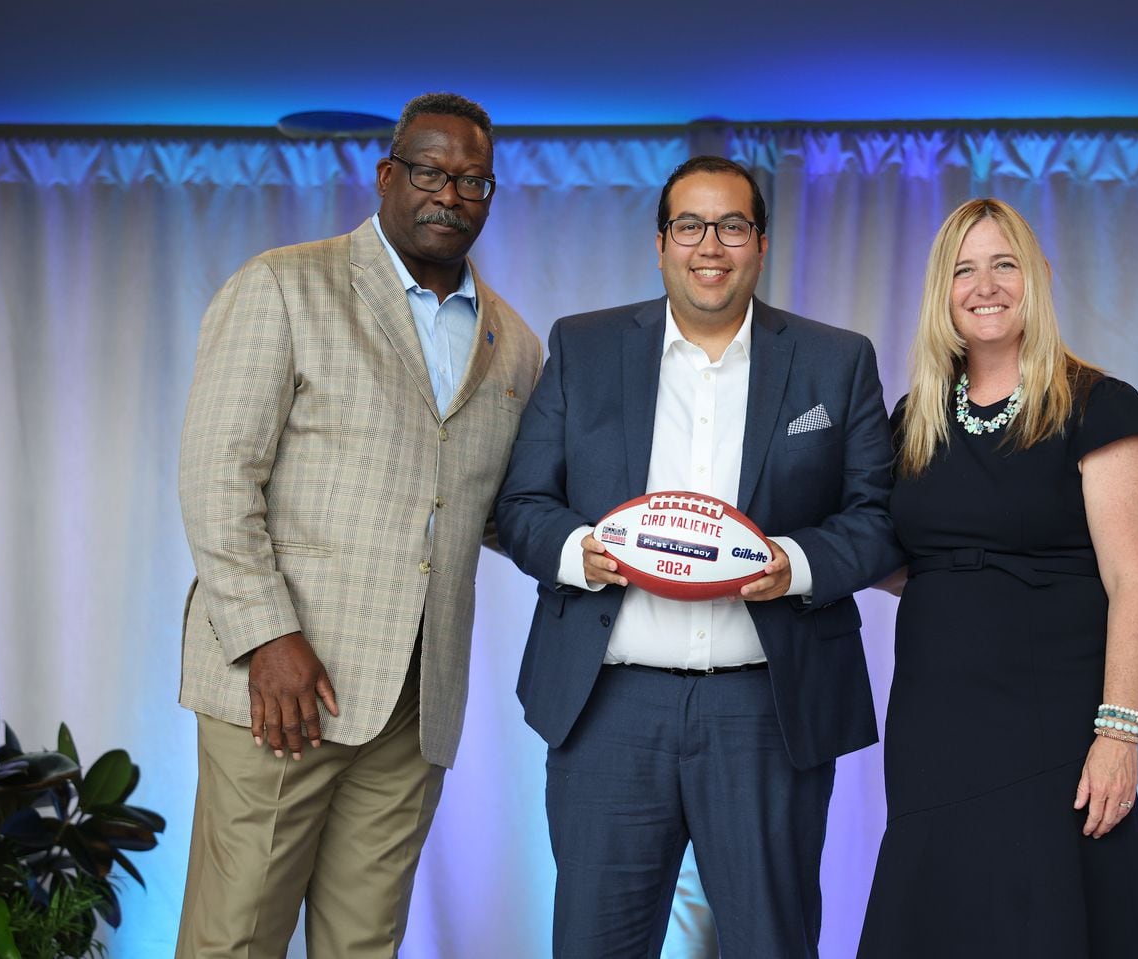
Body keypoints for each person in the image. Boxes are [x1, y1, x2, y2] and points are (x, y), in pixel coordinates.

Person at [496, 156, 903, 957]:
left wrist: (795, 562)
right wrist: (586, 551)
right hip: (607, 710)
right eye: (689, 225)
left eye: (732, 225)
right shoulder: (584, 346)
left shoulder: (835, 359)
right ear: (660, 243)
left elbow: (879, 518)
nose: (708, 245)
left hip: (766, 714)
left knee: (772, 944)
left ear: (760, 243)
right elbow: (521, 507)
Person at [174, 92, 541, 958]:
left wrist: (611, 536)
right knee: (235, 939)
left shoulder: (514, 344)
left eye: (473, 181)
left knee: (364, 944)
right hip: (283, 691)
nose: (450, 195)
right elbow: (216, 476)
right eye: (430, 172)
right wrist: (268, 636)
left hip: (416, 706)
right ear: (387, 176)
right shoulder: (284, 285)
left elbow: (492, 507)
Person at [857, 198, 1138, 957]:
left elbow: (1134, 580)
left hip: (1052, 729)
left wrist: (1118, 735)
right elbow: (911, 561)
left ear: (1037, 277)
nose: (985, 285)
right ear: (943, 290)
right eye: (965, 269)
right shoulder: (916, 417)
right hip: (934, 730)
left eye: (1004, 264)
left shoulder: (1098, 405)